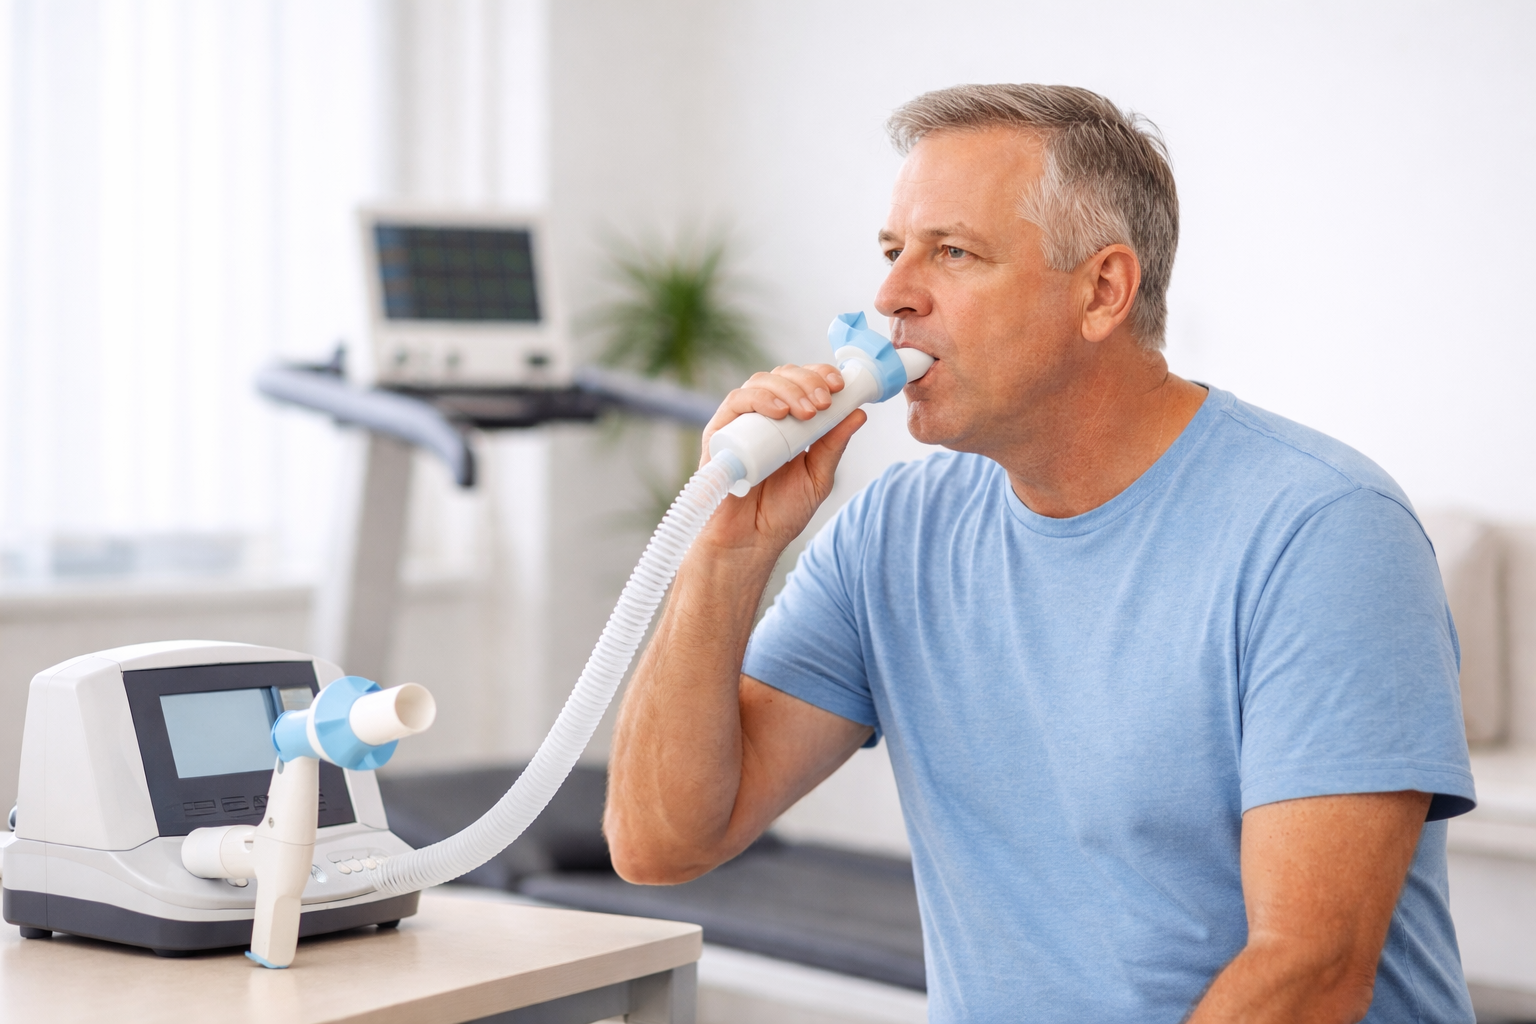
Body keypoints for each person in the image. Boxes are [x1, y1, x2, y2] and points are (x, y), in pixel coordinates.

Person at [603, 84, 1477, 1023]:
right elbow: (660, 843)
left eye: (952, 253)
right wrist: (727, 551)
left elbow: (1308, 974)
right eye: (894, 252)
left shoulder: (1324, 533)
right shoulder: (892, 534)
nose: (892, 297)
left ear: (1102, 290)